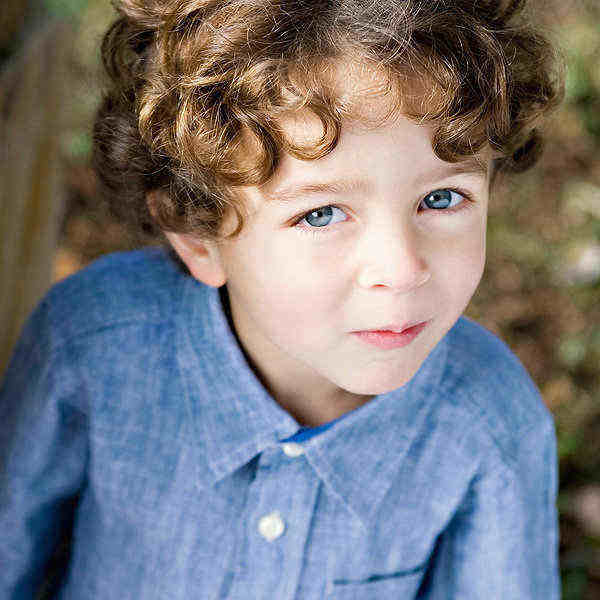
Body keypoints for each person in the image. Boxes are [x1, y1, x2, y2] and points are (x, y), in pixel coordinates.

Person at [1, 0, 564, 598]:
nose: (401, 271)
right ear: (199, 235)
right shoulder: (90, 344)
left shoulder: (493, 424)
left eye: (443, 199)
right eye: (321, 213)